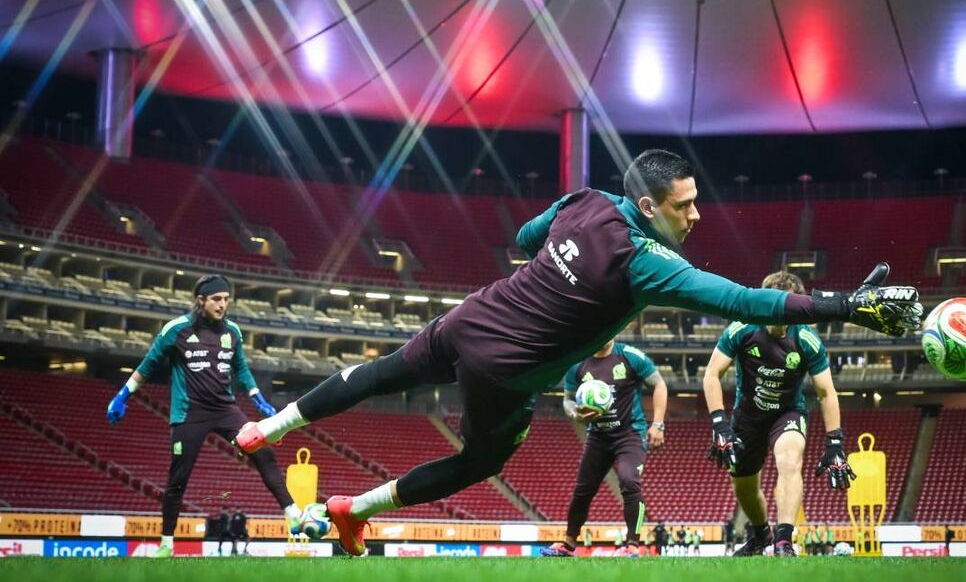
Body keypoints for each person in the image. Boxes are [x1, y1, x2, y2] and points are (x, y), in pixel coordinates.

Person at [234, 150, 922, 556]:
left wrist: (561, 264)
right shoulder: (647, 263)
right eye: (683, 206)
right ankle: (355, 510)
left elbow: (524, 241)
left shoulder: (584, 199)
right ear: (648, 206)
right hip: (505, 371)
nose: (696, 216)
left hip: (470, 317)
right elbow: (748, 301)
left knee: (383, 372)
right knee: (480, 461)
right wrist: (847, 305)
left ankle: (268, 426)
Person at [105, 274, 302, 557]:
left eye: (226, 299)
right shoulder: (176, 329)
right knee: (178, 479)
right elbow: (147, 366)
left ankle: (293, 513)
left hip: (225, 409)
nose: (223, 305)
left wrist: (257, 398)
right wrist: (122, 395)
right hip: (189, 414)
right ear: (201, 301)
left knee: (263, 451)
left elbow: (241, 368)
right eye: (216, 299)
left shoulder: (232, 331)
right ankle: (166, 544)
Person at [704, 271, 858, 557]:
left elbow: (826, 392)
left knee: (789, 460)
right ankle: (761, 535)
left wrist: (835, 442)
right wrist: (719, 424)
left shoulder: (807, 339)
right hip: (747, 417)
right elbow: (712, 374)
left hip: (787, 413)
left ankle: (783, 541)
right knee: (744, 485)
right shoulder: (741, 328)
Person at [540, 340, 667, 558]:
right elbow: (568, 399)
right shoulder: (577, 364)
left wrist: (658, 424)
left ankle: (632, 546)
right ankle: (568, 545)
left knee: (629, 480)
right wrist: (575, 413)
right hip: (598, 436)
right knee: (583, 490)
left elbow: (659, 384)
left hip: (630, 434)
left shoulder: (630, 356)